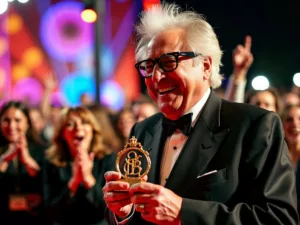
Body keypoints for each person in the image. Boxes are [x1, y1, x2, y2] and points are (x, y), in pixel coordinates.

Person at [102, 3, 298, 225]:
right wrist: (124, 211)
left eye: (168, 62)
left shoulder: (255, 125)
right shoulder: (143, 129)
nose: (155, 78)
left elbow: (279, 218)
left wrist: (184, 212)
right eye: (148, 65)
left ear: (205, 66)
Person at [44, 106, 115, 225]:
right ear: (62, 133)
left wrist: (88, 179)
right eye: (70, 124)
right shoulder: (52, 163)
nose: (78, 127)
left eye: (85, 122)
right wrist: (73, 183)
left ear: (93, 129)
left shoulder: (108, 159)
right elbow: (51, 212)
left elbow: (111, 210)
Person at [0, 101, 47, 225]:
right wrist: (5, 158)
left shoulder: (42, 151)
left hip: (34, 218)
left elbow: (48, 182)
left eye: (17, 120)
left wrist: (27, 160)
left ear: (27, 123)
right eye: (6, 120)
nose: (11, 126)